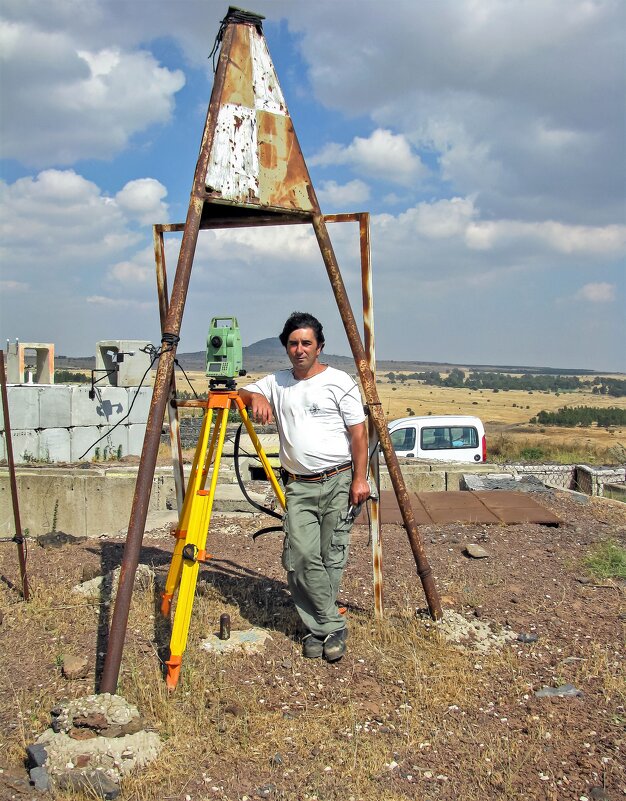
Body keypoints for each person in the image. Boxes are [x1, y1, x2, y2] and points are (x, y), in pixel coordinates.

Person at [239, 312, 370, 662]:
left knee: (330, 558)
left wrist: (360, 478)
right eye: (293, 343)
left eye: (306, 343)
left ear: (319, 347)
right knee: (299, 558)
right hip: (298, 485)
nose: (299, 350)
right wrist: (256, 398)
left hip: (339, 480)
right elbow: (241, 389)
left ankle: (316, 631)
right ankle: (332, 627)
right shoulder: (277, 382)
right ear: (286, 347)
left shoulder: (339, 382)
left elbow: (359, 435)